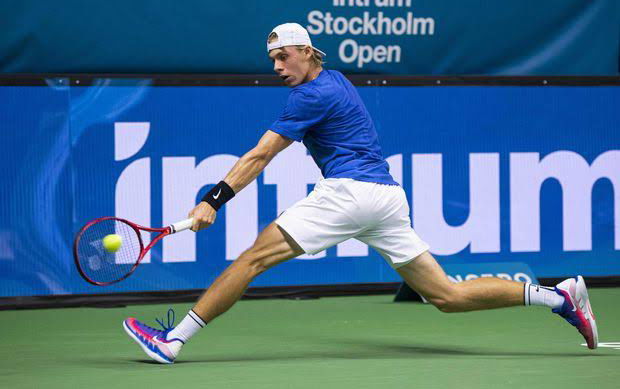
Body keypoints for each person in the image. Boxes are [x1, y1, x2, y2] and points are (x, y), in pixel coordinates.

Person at [122, 23, 598, 364]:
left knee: (250, 260)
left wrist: (213, 201)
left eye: (284, 56)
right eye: (272, 60)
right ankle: (558, 298)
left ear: (307, 52)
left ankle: (173, 340)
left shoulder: (309, 96)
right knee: (447, 295)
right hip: (386, 200)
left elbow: (260, 156)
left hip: (348, 193)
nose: (277, 66)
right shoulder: (335, 80)